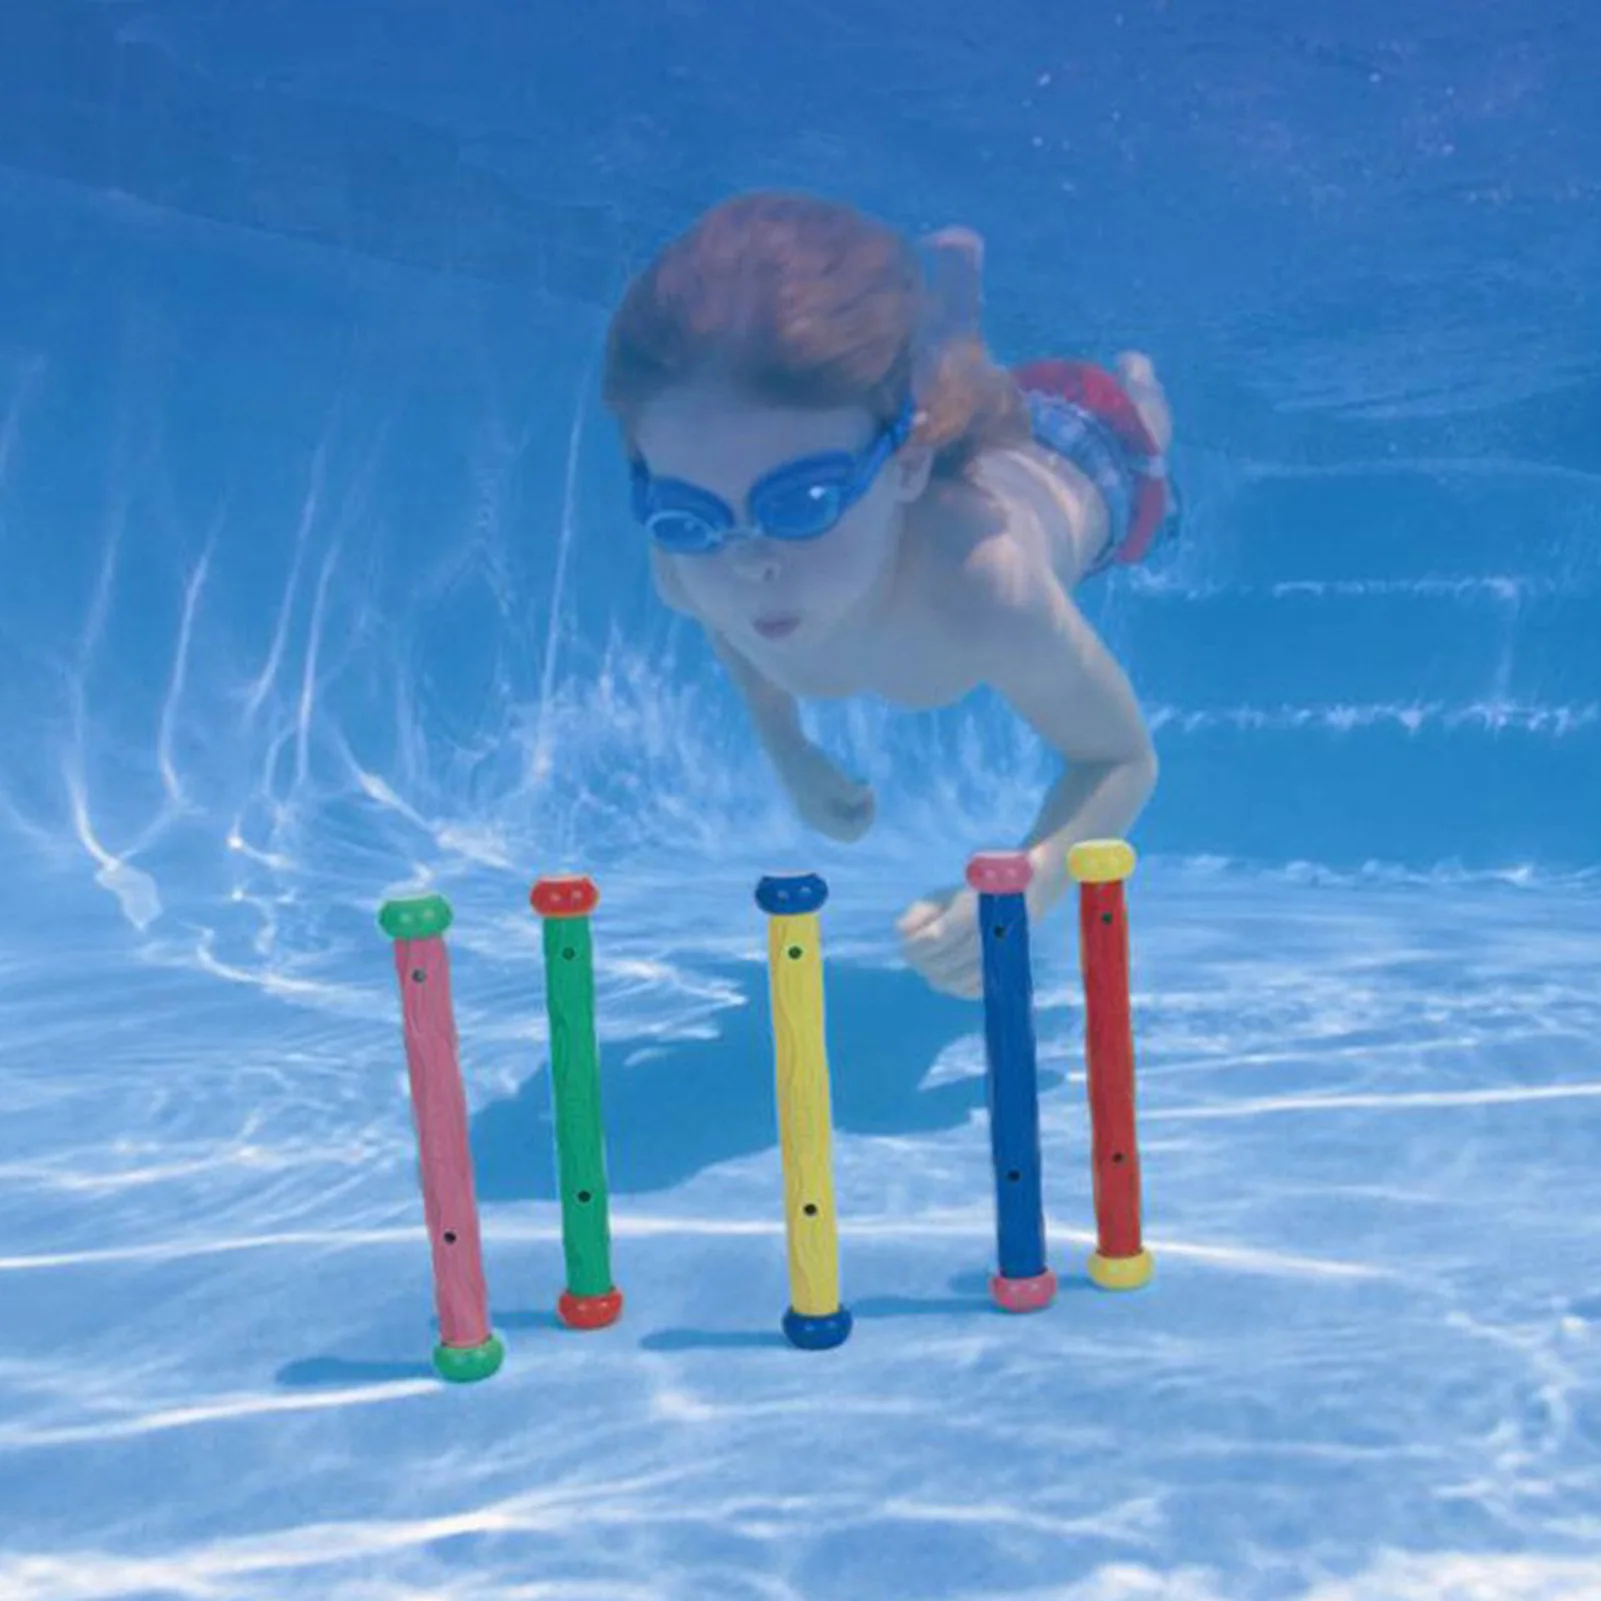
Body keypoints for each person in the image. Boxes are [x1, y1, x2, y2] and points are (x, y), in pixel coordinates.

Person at [601, 191, 1177, 999]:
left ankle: (1132, 379)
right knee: (940, 380)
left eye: (799, 503)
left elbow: (1119, 757)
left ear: (907, 463)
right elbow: (732, 629)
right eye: (689, 514)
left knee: (1144, 426)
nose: (747, 564)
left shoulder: (983, 587)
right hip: (911, 420)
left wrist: (1027, 886)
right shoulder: (689, 565)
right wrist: (788, 750)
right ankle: (951, 316)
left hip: (1084, 457)